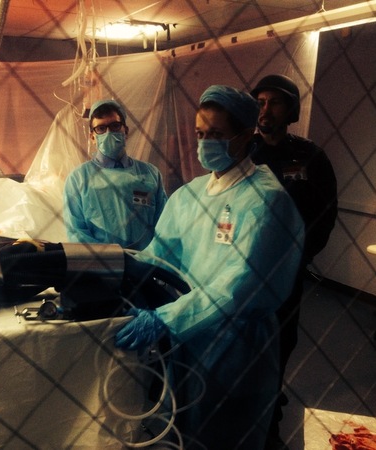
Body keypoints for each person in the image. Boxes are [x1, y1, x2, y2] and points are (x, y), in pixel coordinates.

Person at [114, 85, 305, 449]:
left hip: (236, 345)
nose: (204, 144)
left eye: (216, 134)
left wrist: (166, 318)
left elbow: (238, 286)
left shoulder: (266, 200)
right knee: (182, 430)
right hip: (189, 335)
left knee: (225, 435)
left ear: (245, 135)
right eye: (200, 134)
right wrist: (114, 272)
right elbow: (157, 254)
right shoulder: (191, 194)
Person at [249, 74, 338, 450]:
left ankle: (269, 415)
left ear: (291, 110)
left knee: (281, 340)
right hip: (246, 270)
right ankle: (245, 407)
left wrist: (300, 258)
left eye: (275, 102)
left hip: (287, 272)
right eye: (260, 102)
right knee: (246, 342)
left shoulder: (310, 157)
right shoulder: (245, 153)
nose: (265, 110)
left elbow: (325, 213)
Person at [63, 99, 168, 251]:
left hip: (147, 260)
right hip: (101, 262)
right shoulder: (78, 179)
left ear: (126, 131)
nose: (109, 133)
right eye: (101, 128)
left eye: (115, 126)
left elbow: (164, 224)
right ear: (92, 137)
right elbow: (76, 232)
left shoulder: (151, 174)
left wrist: (151, 256)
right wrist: (107, 258)